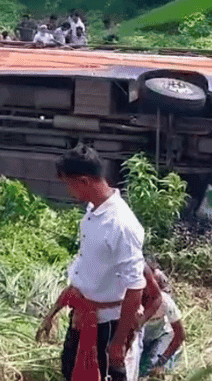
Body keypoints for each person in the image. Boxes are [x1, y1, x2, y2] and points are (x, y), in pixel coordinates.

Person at [42, 144, 147, 381]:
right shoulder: (93, 210)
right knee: (71, 370)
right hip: (83, 314)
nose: (68, 191)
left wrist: (119, 342)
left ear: (83, 181)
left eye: (68, 184)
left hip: (107, 325)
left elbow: (136, 287)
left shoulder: (121, 224)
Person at [137, 260, 185, 378]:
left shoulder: (165, 301)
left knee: (150, 369)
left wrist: (162, 360)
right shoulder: (131, 298)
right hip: (141, 338)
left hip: (160, 335)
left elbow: (180, 334)